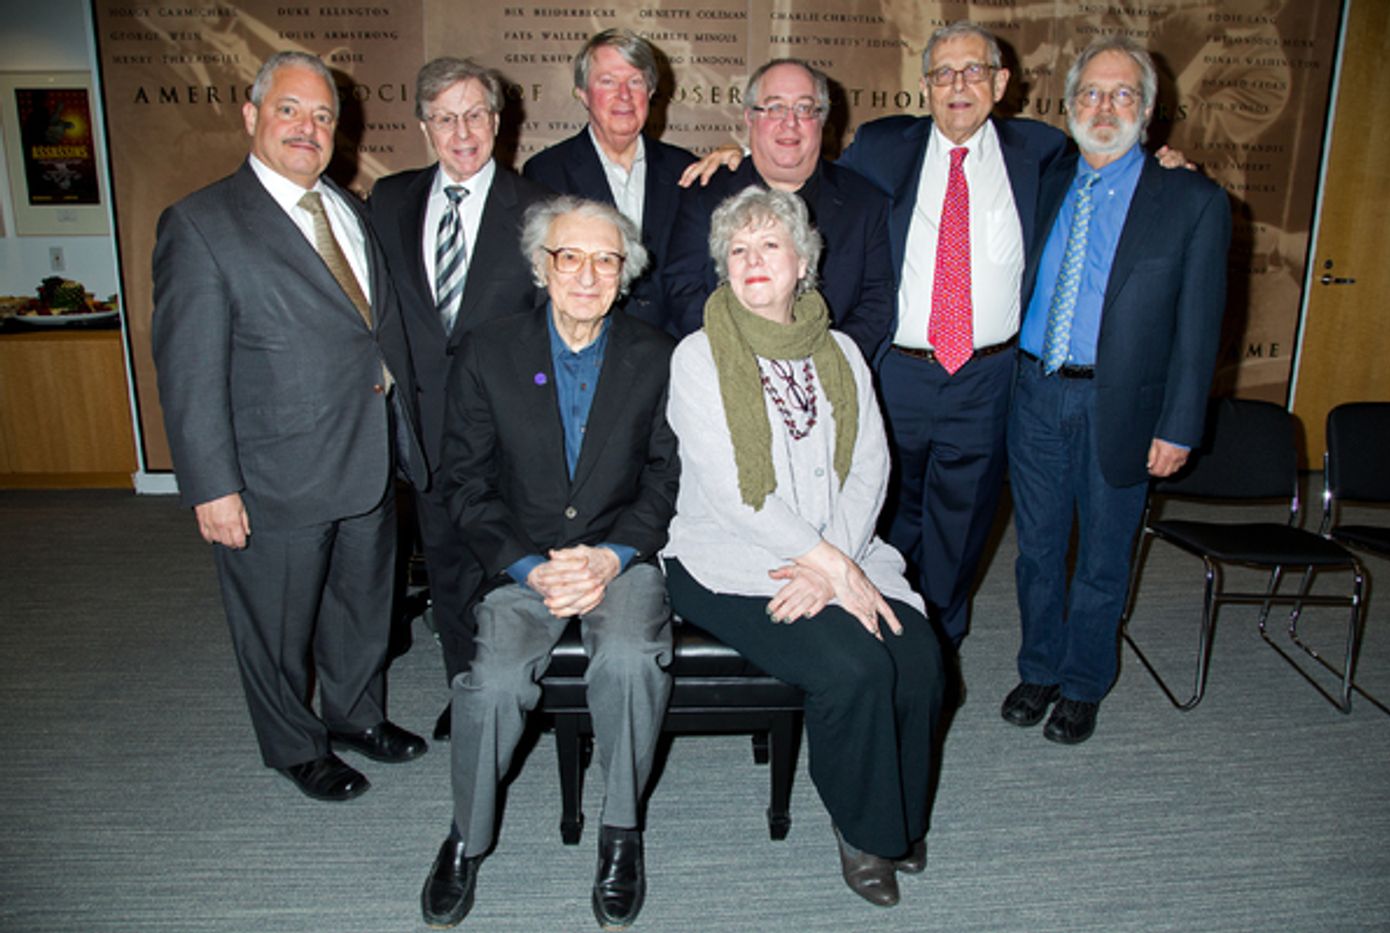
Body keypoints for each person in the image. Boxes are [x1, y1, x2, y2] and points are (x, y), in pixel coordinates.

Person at [151, 51, 429, 802]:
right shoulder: (202, 224)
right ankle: (292, 743)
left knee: (362, 605)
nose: (307, 128)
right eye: (289, 110)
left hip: (366, 455)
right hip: (273, 475)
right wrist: (213, 486)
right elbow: (188, 371)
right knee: (275, 626)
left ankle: (355, 714)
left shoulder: (347, 207)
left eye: (323, 116)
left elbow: (373, 331)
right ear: (251, 116)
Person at [662, 186, 943, 908]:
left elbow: (871, 466)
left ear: (802, 262)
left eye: (770, 246)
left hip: (841, 549)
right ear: (724, 267)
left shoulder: (843, 350)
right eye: (738, 249)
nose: (754, 260)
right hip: (728, 559)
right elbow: (735, 492)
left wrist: (836, 566)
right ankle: (865, 830)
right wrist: (830, 567)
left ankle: (903, 813)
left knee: (917, 655)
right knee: (851, 667)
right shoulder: (698, 357)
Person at [420, 196, 679, 930]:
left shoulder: (656, 355)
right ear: (543, 266)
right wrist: (529, 567)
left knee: (630, 660)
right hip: (522, 563)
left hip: (620, 559)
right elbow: (464, 483)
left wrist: (611, 554)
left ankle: (621, 832)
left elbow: (665, 477)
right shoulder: (488, 351)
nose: (589, 274)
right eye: (572, 256)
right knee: (492, 682)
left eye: (607, 259)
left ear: (624, 273)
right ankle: (466, 835)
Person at [1003, 35, 1230, 744]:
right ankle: (1040, 666)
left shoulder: (1191, 200)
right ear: (1069, 105)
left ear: (1150, 111)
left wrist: (1181, 425)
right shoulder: (1041, 177)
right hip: (1035, 393)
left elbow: (1201, 329)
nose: (1105, 107)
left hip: (1123, 406)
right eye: (1091, 94)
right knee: (1036, 549)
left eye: (1123, 94)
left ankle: (1083, 682)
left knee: (1103, 556)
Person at [838, 23, 1069, 650]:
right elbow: (810, 184)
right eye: (944, 73)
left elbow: (1115, 176)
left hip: (987, 376)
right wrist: (736, 158)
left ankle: (938, 645)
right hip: (898, 371)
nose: (958, 85)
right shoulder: (881, 147)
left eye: (973, 72)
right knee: (882, 512)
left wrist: (1163, 163)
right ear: (925, 87)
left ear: (1000, 82)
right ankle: (880, 633)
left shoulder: (1044, 153)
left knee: (962, 523)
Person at [369, 58, 552, 741]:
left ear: (498, 124)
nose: (462, 131)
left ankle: (521, 688)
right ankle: (465, 686)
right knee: (445, 563)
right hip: (424, 425)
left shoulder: (539, 208)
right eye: (445, 117)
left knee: (504, 564)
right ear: (424, 127)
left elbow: (557, 327)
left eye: (475, 114)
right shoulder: (388, 200)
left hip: (510, 430)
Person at [662, 59, 894, 359]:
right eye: (774, 108)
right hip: (726, 369)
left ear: (822, 118)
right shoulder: (707, 193)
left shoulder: (865, 203)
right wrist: (750, 361)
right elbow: (684, 289)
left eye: (804, 108)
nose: (790, 122)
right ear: (749, 117)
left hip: (829, 380)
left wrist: (819, 364)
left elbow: (876, 302)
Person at [523, 29, 696, 331]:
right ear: (582, 92)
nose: (624, 95)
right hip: (592, 349)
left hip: (674, 350)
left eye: (635, 81)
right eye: (608, 82)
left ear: (651, 92)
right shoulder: (545, 172)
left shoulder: (686, 169)